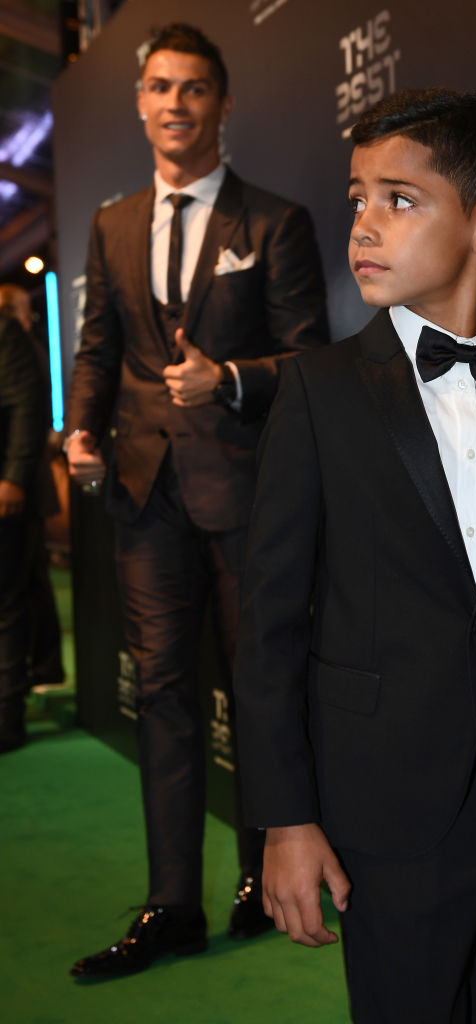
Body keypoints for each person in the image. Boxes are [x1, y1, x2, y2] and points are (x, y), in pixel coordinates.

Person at [233, 88, 476, 1022]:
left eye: (400, 199)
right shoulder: (318, 393)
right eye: (357, 198)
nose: (364, 224)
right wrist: (285, 819)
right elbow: (270, 624)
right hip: (386, 809)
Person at [65, 23, 328, 979]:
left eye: (195, 88)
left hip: (247, 491)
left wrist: (232, 379)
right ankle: (172, 904)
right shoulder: (112, 224)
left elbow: (309, 361)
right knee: (163, 694)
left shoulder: (277, 221)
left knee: (262, 686)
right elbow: (99, 348)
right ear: (140, 103)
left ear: (223, 104)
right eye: (160, 87)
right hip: (144, 495)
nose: (175, 103)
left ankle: (266, 876)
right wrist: (80, 431)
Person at [0, 283, 65, 693]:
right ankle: (42, 667)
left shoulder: (17, 344)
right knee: (30, 580)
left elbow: (28, 408)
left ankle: (38, 671)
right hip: (24, 479)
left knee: (21, 586)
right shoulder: (25, 343)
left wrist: (13, 477)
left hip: (21, 484)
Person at [0, 312, 48, 751]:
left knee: (6, 604)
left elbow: (26, 403)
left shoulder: (3, 330)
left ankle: (6, 718)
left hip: (3, 491)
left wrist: (13, 476)